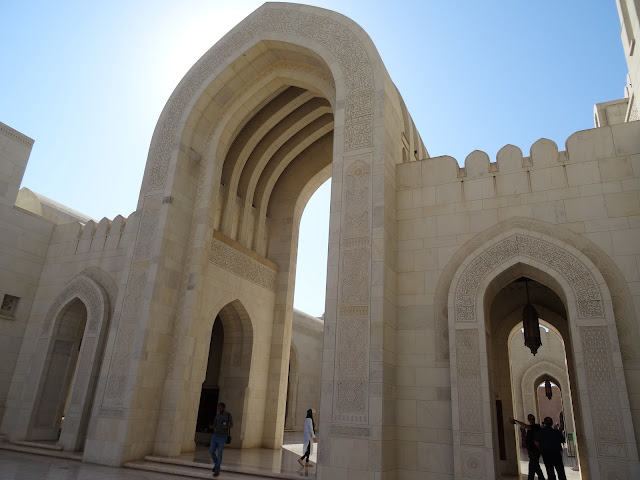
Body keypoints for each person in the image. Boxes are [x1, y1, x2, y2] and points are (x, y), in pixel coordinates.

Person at [510, 414, 545, 480]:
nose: (531, 420)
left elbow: (525, 426)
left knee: (532, 466)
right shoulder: (533, 427)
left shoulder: (535, 426)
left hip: (534, 451)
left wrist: (516, 421)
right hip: (532, 450)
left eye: (532, 418)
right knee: (535, 466)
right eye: (530, 419)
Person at [209, 402, 233, 477]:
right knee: (211, 451)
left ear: (223, 408)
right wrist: (211, 427)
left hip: (222, 437)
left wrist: (226, 427)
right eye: (218, 408)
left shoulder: (228, 415)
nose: (218, 409)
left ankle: (217, 470)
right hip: (215, 436)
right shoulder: (217, 415)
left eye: (219, 408)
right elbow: (214, 425)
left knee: (219, 454)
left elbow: (231, 425)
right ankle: (217, 465)